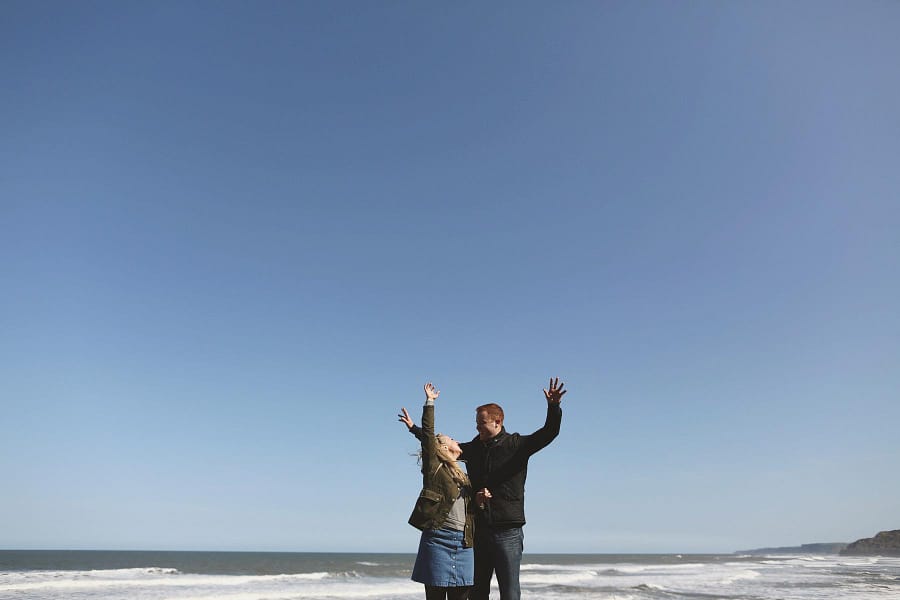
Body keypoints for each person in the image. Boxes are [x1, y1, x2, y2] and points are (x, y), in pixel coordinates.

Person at [401, 377, 566, 600]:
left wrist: (553, 407)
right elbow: (439, 448)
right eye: (477, 423)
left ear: (497, 422)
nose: (477, 427)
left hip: (508, 530)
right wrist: (414, 429)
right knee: (477, 591)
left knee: (509, 592)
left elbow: (548, 433)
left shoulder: (516, 445)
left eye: (482, 423)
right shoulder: (475, 448)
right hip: (477, 531)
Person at [400, 382, 486, 600]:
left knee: (462, 596)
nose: (456, 439)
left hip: (464, 542)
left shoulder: (463, 475)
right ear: (444, 448)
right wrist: (430, 402)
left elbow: (467, 508)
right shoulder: (435, 469)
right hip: (438, 539)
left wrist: (479, 498)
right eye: (451, 438)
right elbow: (429, 436)